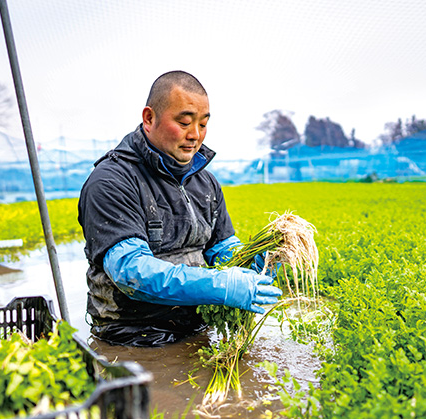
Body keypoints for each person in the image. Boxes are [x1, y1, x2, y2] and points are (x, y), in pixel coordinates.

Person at [78, 71, 281, 347]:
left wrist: (255, 259)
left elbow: (221, 248)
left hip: (196, 327)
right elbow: (131, 272)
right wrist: (221, 285)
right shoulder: (111, 181)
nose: (195, 135)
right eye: (184, 122)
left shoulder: (205, 181)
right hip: (131, 336)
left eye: (203, 124)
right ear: (149, 118)